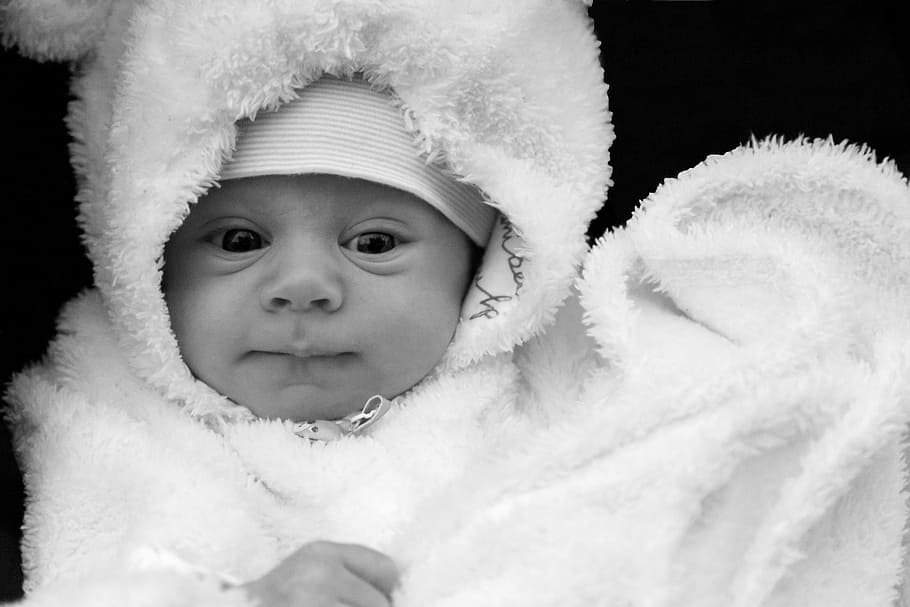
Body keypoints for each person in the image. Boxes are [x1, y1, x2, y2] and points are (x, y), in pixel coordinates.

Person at [4, 1, 910, 606]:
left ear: (481, 274)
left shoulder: (549, 370)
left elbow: (675, 461)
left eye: (375, 242)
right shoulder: (115, 411)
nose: (305, 286)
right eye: (238, 241)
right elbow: (96, 573)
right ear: (148, 271)